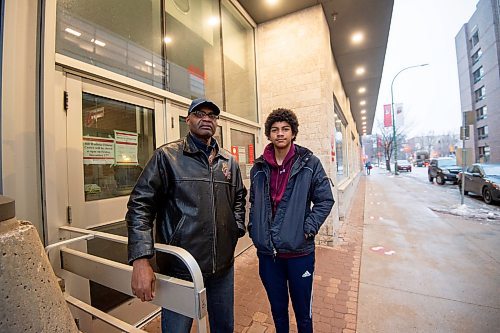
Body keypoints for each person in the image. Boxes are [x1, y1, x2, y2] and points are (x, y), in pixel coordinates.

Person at [126, 98, 247, 333]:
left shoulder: (228, 161)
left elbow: (239, 197)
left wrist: (236, 228)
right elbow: (140, 206)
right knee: (176, 330)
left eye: (212, 115)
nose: (206, 119)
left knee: (224, 328)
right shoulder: (166, 157)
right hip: (181, 268)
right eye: (199, 113)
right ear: (187, 119)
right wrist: (141, 259)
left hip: (223, 267)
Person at [248, 108, 334, 333]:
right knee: (278, 312)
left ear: (293, 133)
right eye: (275, 130)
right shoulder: (258, 168)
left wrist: (308, 228)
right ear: (268, 134)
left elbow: (325, 199)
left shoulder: (309, 163)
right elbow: (254, 202)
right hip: (268, 256)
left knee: (303, 314)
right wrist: (254, 229)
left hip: (299, 254)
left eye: (285, 129)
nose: (280, 134)